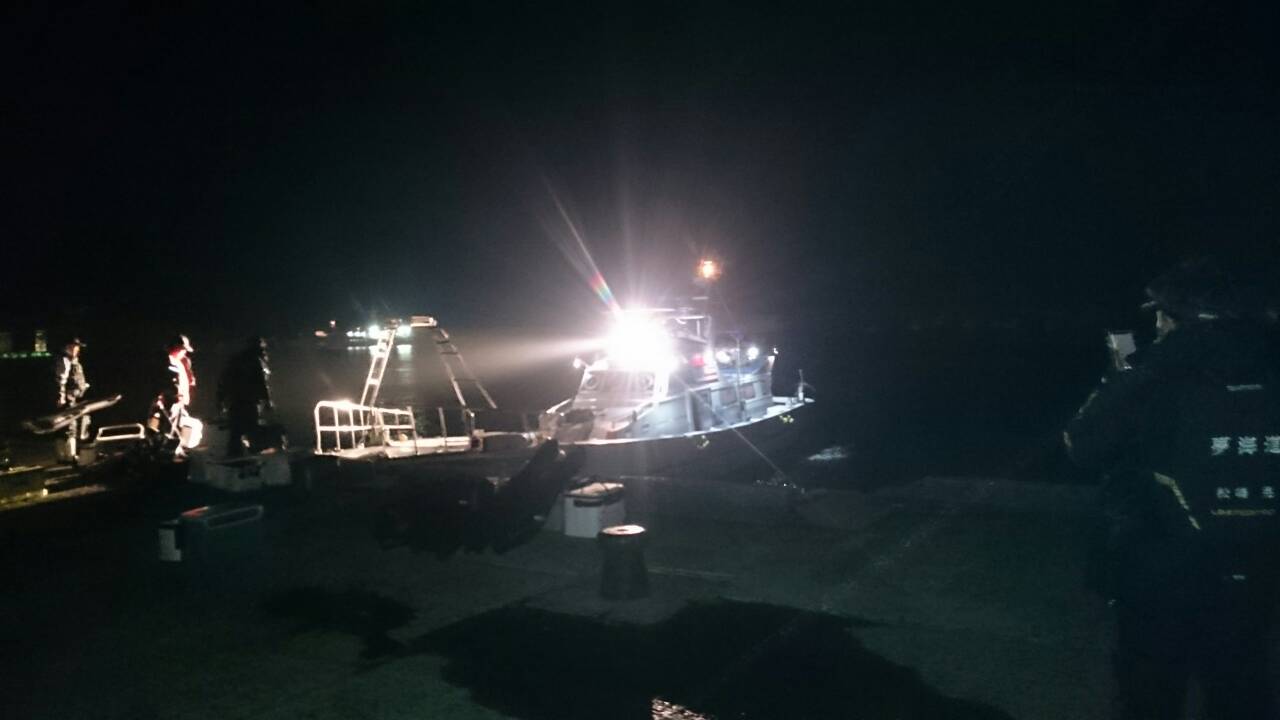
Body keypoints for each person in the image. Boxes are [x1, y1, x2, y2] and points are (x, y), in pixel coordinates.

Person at [1064, 259, 1280, 719]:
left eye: (1160, 313)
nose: (1158, 323)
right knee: (1242, 678)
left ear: (1175, 316)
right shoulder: (1270, 357)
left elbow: (1084, 446)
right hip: (1258, 558)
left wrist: (1120, 373)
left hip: (1160, 561)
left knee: (1151, 687)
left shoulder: (1158, 366)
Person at [217, 336, 274, 456]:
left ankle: (234, 454)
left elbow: (224, 380)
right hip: (249, 401)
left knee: (236, 430)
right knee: (252, 428)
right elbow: (261, 383)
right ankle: (253, 454)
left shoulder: (235, 360)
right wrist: (267, 401)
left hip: (235, 400)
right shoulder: (255, 361)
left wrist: (220, 399)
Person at [54, 337, 90, 463]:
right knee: (70, 427)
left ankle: (63, 456)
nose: (77, 349)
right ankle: (70, 455)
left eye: (78, 347)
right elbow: (61, 380)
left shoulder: (73, 361)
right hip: (68, 399)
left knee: (65, 427)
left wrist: (83, 387)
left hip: (73, 398)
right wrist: (61, 396)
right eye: (75, 346)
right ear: (67, 347)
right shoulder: (64, 360)